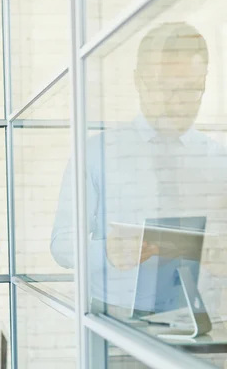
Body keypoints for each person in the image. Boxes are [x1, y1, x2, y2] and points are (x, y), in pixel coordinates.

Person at [51, 22, 227, 313]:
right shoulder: (95, 153)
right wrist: (105, 251)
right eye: (166, 88)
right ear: (138, 81)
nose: (179, 102)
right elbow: (61, 244)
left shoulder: (219, 160)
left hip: (203, 325)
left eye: (192, 89)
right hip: (117, 327)